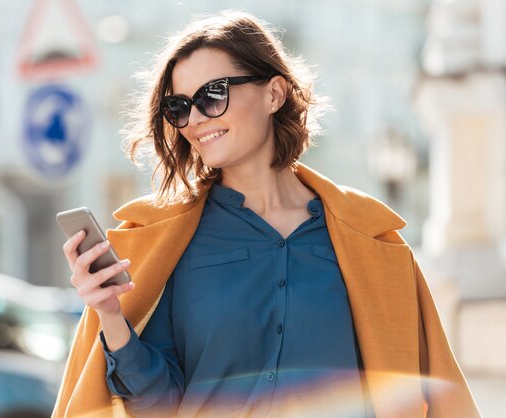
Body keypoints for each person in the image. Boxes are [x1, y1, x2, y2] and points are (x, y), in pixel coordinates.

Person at [53, 11, 480, 418]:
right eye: (180, 107)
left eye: (213, 94)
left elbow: (418, 393)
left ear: (274, 94)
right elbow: (161, 403)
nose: (196, 118)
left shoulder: (371, 239)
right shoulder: (164, 241)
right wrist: (110, 314)